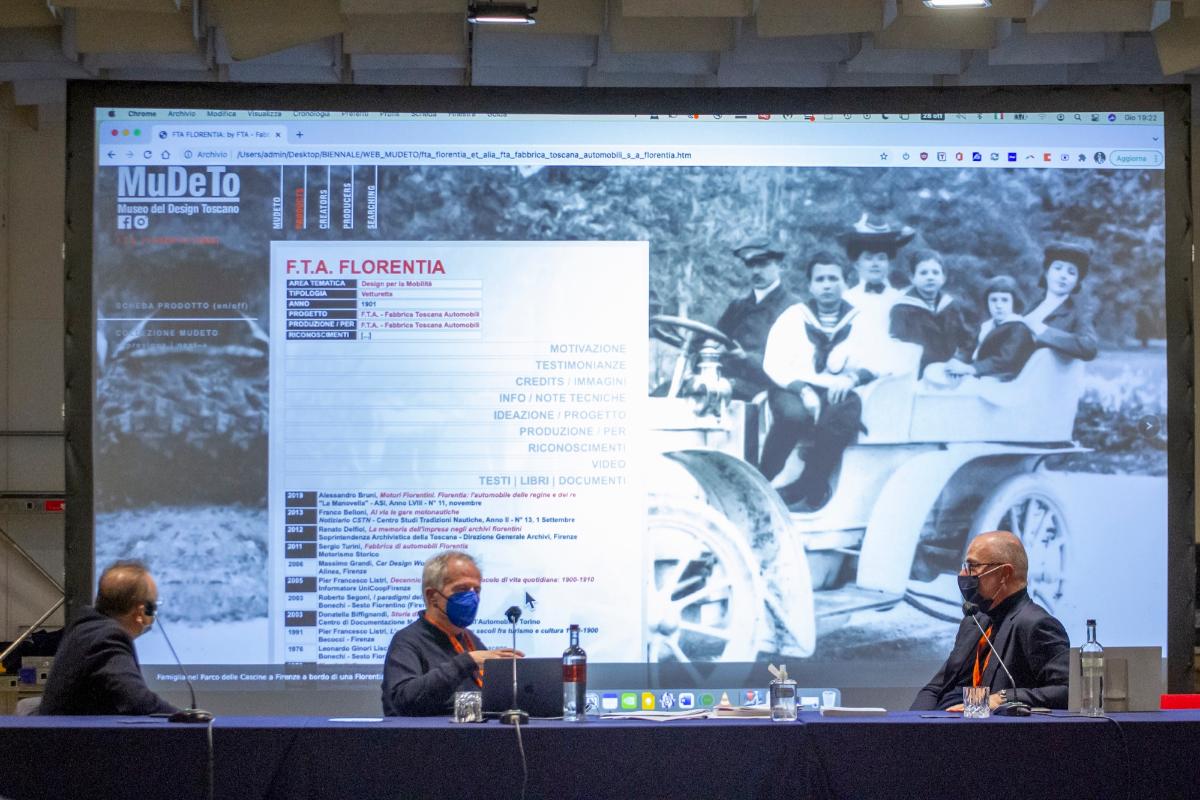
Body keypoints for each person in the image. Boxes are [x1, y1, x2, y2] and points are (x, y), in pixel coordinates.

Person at [760, 250, 880, 511]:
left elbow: (878, 359)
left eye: (834, 279)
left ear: (845, 283)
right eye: (820, 279)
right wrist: (802, 390)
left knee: (844, 413)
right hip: (793, 386)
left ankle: (810, 484)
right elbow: (774, 363)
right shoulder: (794, 316)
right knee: (794, 416)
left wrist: (852, 378)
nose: (827, 285)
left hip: (836, 388)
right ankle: (763, 478)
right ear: (811, 285)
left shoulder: (860, 320)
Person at [910, 531, 1069, 712]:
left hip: (990, 731)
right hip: (948, 725)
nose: (963, 574)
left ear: (1004, 574)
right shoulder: (974, 621)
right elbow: (936, 688)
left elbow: (1066, 691)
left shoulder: (1036, 624)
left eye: (973, 566)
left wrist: (1002, 698)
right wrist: (912, 726)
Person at [382, 550, 522, 716]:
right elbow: (400, 700)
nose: (472, 597)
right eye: (461, 589)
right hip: (427, 738)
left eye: (476, 590)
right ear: (432, 596)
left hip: (472, 734)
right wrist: (466, 662)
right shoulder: (407, 640)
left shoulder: (469, 639)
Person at [39, 559, 179, 716]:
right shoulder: (107, 638)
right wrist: (187, 721)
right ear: (141, 612)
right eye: (154, 606)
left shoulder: (86, 627)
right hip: (76, 739)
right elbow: (137, 701)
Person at [712, 237, 799, 401]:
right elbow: (715, 337)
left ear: (780, 266)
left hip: (767, 388)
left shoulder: (794, 308)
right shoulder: (738, 306)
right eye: (750, 264)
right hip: (726, 381)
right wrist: (708, 345)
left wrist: (745, 356)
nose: (756, 271)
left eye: (763, 264)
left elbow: (792, 365)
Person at [888, 248, 975, 377]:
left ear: (943, 278)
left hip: (949, 372)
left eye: (935, 273)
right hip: (916, 373)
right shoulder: (902, 308)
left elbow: (967, 340)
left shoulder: (951, 305)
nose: (930, 277)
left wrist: (959, 359)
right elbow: (896, 345)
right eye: (923, 273)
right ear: (912, 278)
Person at [841, 212, 915, 347]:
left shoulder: (900, 299)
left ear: (888, 264)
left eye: (881, 258)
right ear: (857, 264)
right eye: (868, 258)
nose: (875, 264)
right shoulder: (846, 299)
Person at [946, 275, 1037, 382]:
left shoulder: (1018, 328)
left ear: (1014, 302)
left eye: (1004, 300)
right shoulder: (987, 326)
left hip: (1006, 379)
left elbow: (1006, 360)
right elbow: (970, 348)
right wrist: (958, 360)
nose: (998, 305)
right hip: (983, 375)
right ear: (987, 302)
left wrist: (972, 368)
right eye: (993, 300)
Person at [1023, 241, 1098, 362]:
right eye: (1058, 268)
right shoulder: (1033, 306)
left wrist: (1042, 330)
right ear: (1047, 273)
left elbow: (1089, 347)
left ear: (1076, 282)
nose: (1063, 275)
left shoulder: (1079, 313)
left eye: (1071, 272)